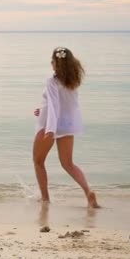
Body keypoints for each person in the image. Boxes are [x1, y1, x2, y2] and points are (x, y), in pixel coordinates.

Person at [33, 47, 99, 208]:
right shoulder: (73, 80)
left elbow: (55, 105)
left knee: (38, 161)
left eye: (52, 60)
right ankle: (88, 192)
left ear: (56, 62)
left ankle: (45, 198)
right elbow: (66, 104)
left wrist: (50, 129)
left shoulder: (52, 80)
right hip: (67, 125)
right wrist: (42, 109)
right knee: (68, 163)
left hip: (49, 124)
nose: (51, 63)